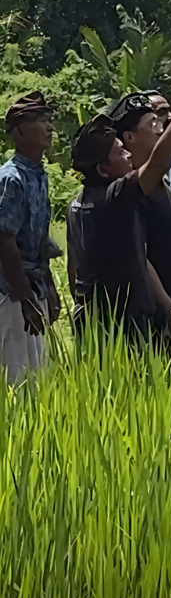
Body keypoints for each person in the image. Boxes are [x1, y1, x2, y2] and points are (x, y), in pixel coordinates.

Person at [67, 73, 171, 342]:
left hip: (94, 322)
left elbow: (73, 274)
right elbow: (159, 162)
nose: (127, 155)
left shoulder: (76, 205)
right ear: (103, 169)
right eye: (120, 152)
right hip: (125, 326)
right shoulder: (115, 197)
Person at [107, 90, 171, 316]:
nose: (161, 128)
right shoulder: (129, 189)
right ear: (130, 137)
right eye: (152, 122)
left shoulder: (160, 181)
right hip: (156, 313)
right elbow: (142, 260)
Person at [0, 92, 60, 384]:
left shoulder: (39, 175)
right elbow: (5, 242)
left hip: (30, 287)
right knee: (15, 379)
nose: (49, 127)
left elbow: (41, 239)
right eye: (40, 121)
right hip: (9, 294)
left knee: (37, 376)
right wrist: (26, 299)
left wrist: (48, 285)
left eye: (49, 120)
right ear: (20, 131)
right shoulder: (11, 179)